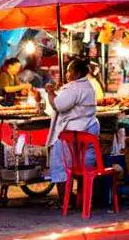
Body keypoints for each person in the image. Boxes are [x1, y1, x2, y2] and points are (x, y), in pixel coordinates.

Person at [45, 59, 100, 204]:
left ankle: (65, 199)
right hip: (89, 129)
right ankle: (82, 198)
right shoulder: (88, 86)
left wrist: (50, 92)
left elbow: (58, 105)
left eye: (69, 71)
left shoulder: (74, 88)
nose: (67, 74)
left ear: (76, 73)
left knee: (60, 163)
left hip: (73, 133)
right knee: (85, 164)